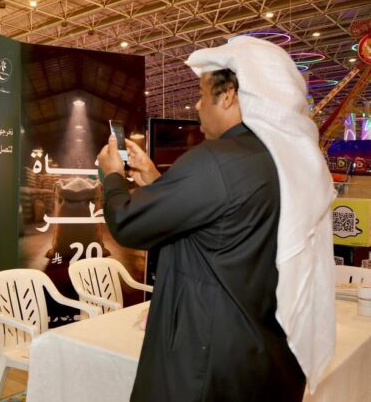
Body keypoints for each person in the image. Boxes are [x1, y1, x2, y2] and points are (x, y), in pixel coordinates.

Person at [97, 36, 335, 401]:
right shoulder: (291, 163)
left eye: (202, 93)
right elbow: (225, 224)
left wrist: (112, 176)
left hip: (208, 362)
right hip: (267, 357)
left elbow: (128, 223)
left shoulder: (215, 159)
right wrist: (159, 182)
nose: (196, 104)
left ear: (228, 96)